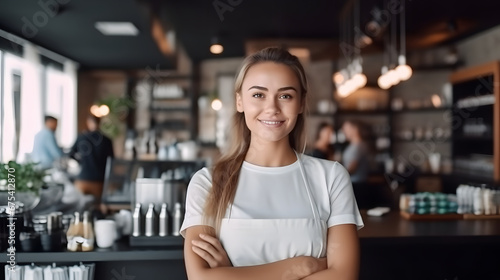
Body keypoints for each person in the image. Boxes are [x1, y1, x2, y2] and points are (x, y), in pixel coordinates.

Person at [180, 47, 363, 280]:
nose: (272, 108)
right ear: (239, 101)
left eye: (285, 96)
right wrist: (301, 267)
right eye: (258, 95)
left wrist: (234, 274)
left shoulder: (331, 177)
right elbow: (201, 278)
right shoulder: (207, 183)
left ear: (300, 103)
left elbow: (343, 276)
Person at [68, 115, 114, 208]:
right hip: (99, 180)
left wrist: (80, 161)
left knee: (79, 207)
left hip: (83, 179)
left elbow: (70, 154)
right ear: (100, 123)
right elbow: (112, 160)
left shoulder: (81, 137)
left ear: (89, 123)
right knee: (96, 207)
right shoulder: (106, 140)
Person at [341, 120, 372, 184]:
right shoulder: (353, 145)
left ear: (355, 129)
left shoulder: (359, 146)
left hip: (357, 184)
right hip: (351, 182)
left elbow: (352, 168)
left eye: (346, 129)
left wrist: (339, 176)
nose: (344, 132)